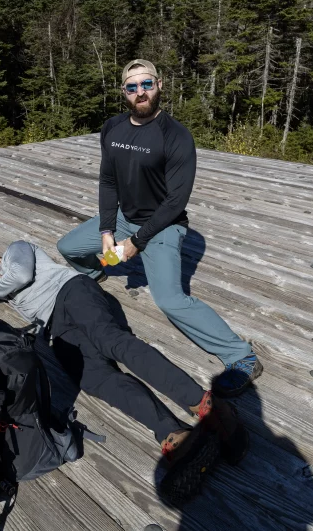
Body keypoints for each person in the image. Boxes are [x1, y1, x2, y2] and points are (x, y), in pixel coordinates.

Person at [0, 240, 248, 505]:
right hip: (54, 328)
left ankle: (204, 405)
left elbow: (18, 276)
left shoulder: (14, 251)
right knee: (96, 380)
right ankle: (173, 433)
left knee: (113, 342)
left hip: (72, 292)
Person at [57, 58, 262, 398]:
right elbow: (108, 181)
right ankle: (97, 276)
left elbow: (176, 201)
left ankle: (241, 357)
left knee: (170, 300)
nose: (141, 92)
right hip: (124, 217)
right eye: (133, 86)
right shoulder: (112, 128)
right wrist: (108, 230)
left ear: (160, 85)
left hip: (164, 225)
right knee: (68, 247)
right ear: (124, 91)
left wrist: (137, 242)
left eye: (147, 84)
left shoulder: (176, 136)